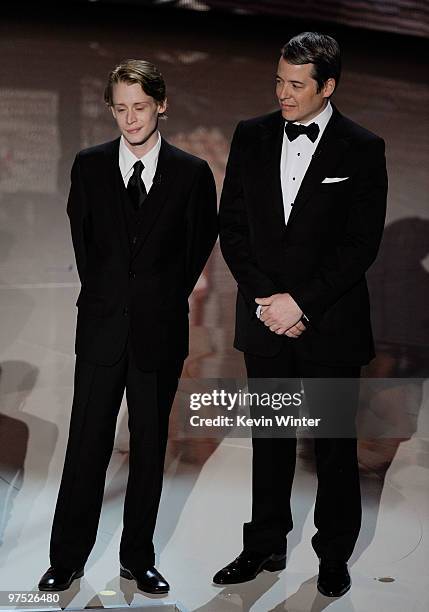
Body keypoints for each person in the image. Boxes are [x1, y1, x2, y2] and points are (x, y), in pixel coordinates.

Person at [214, 32, 387, 598]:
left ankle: (333, 553)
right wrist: (268, 300)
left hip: (328, 325)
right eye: (278, 81)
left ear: (327, 86)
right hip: (266, 319)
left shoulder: (363, 147)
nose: (282, 94)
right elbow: (232, 225)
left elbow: (360, 245)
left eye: (295, 85)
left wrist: (302, 303)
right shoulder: (251, 135)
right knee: (270, 439)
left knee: (333, 446)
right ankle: (263, 543)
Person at [38, 59, 218, 594]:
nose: (130, 118)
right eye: (121, 107)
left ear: (161, 104)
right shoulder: (89, 166)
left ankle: (137, 557)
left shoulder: (191, 173)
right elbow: (84, 242)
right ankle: (66, 558)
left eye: (140, 106)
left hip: (157, 331)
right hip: (100, 330)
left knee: (147, 447)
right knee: (87, 444)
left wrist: (161, 298)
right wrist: (108, 297)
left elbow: (198, 246)